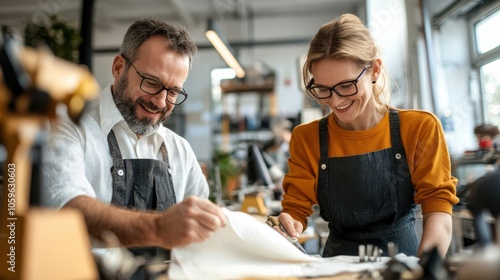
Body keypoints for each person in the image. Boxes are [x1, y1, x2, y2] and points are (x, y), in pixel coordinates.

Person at [273, 14, 459, 258]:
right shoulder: (306, 138)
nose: (335, 101)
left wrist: (424, 269)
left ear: (374, 70)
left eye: (346, 85)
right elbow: (295, 209)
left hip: (402, 266)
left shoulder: (419, 127)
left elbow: (438, 210)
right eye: (323, 89)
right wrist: (286, 224)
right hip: (337, 270)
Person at [41, 17, 227, 261]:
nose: (160, 102)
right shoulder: (66, 127)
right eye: (151, 83)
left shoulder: (179, 150)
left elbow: (204, 228)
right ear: (119, 68)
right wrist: (159, 228)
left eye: (173, 92)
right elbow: (67, 210)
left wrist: (267, 229)